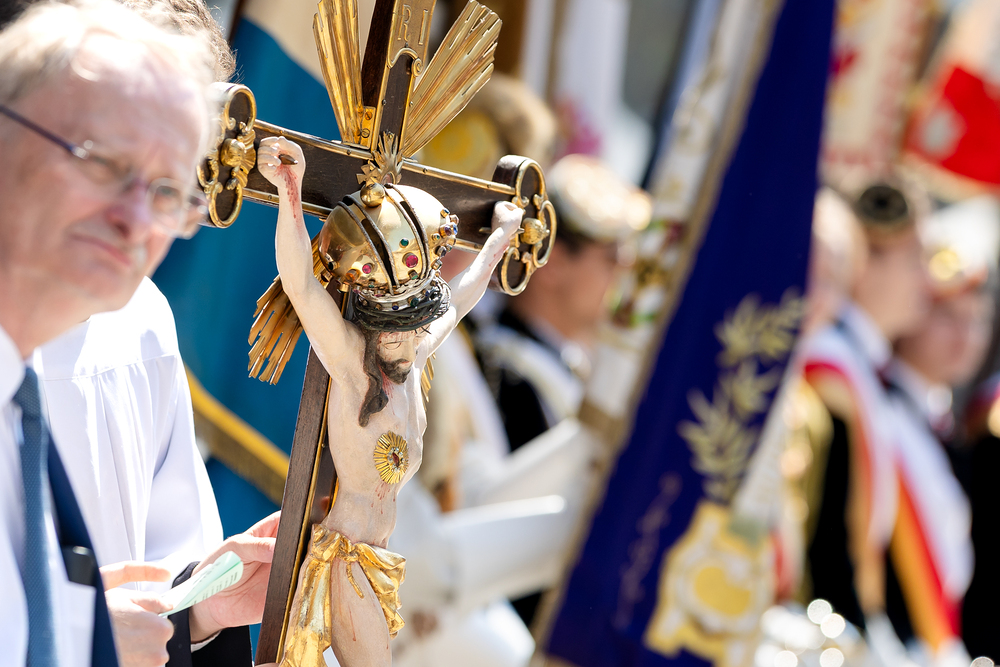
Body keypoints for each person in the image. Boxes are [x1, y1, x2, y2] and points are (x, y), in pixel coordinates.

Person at [0, 3, 272, 665]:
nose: (135, 219)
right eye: (103, 161)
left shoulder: (138, 316)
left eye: (169, 190)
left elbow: (139, 578)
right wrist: (85, 636)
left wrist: (196, 612)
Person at [254, 133, 522, 667]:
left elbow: (462, 298)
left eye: (416, 329)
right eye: (397, 333)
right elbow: (302, 285)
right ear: (372, 328)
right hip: (345, 559)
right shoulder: (353, 367)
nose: (410, 340)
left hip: (380, 560)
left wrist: (498, 240)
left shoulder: (413, 358)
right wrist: (289, 188)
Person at [475, 153, 650, 625]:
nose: (624, 277)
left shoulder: (564, 365)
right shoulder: (505, 372)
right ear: (550, 262)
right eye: (612, 259)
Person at [798, 182, 933, 664]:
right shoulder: (831, 365)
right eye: (914, 259)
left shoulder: (861, 369)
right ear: (866, 263)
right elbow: (832, 535)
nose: (926, 280)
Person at [882, 196, 1000, 667]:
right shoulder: (876, 408)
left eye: (978, 321)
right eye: (948, 317)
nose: (965, 337)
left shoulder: (943, 426)